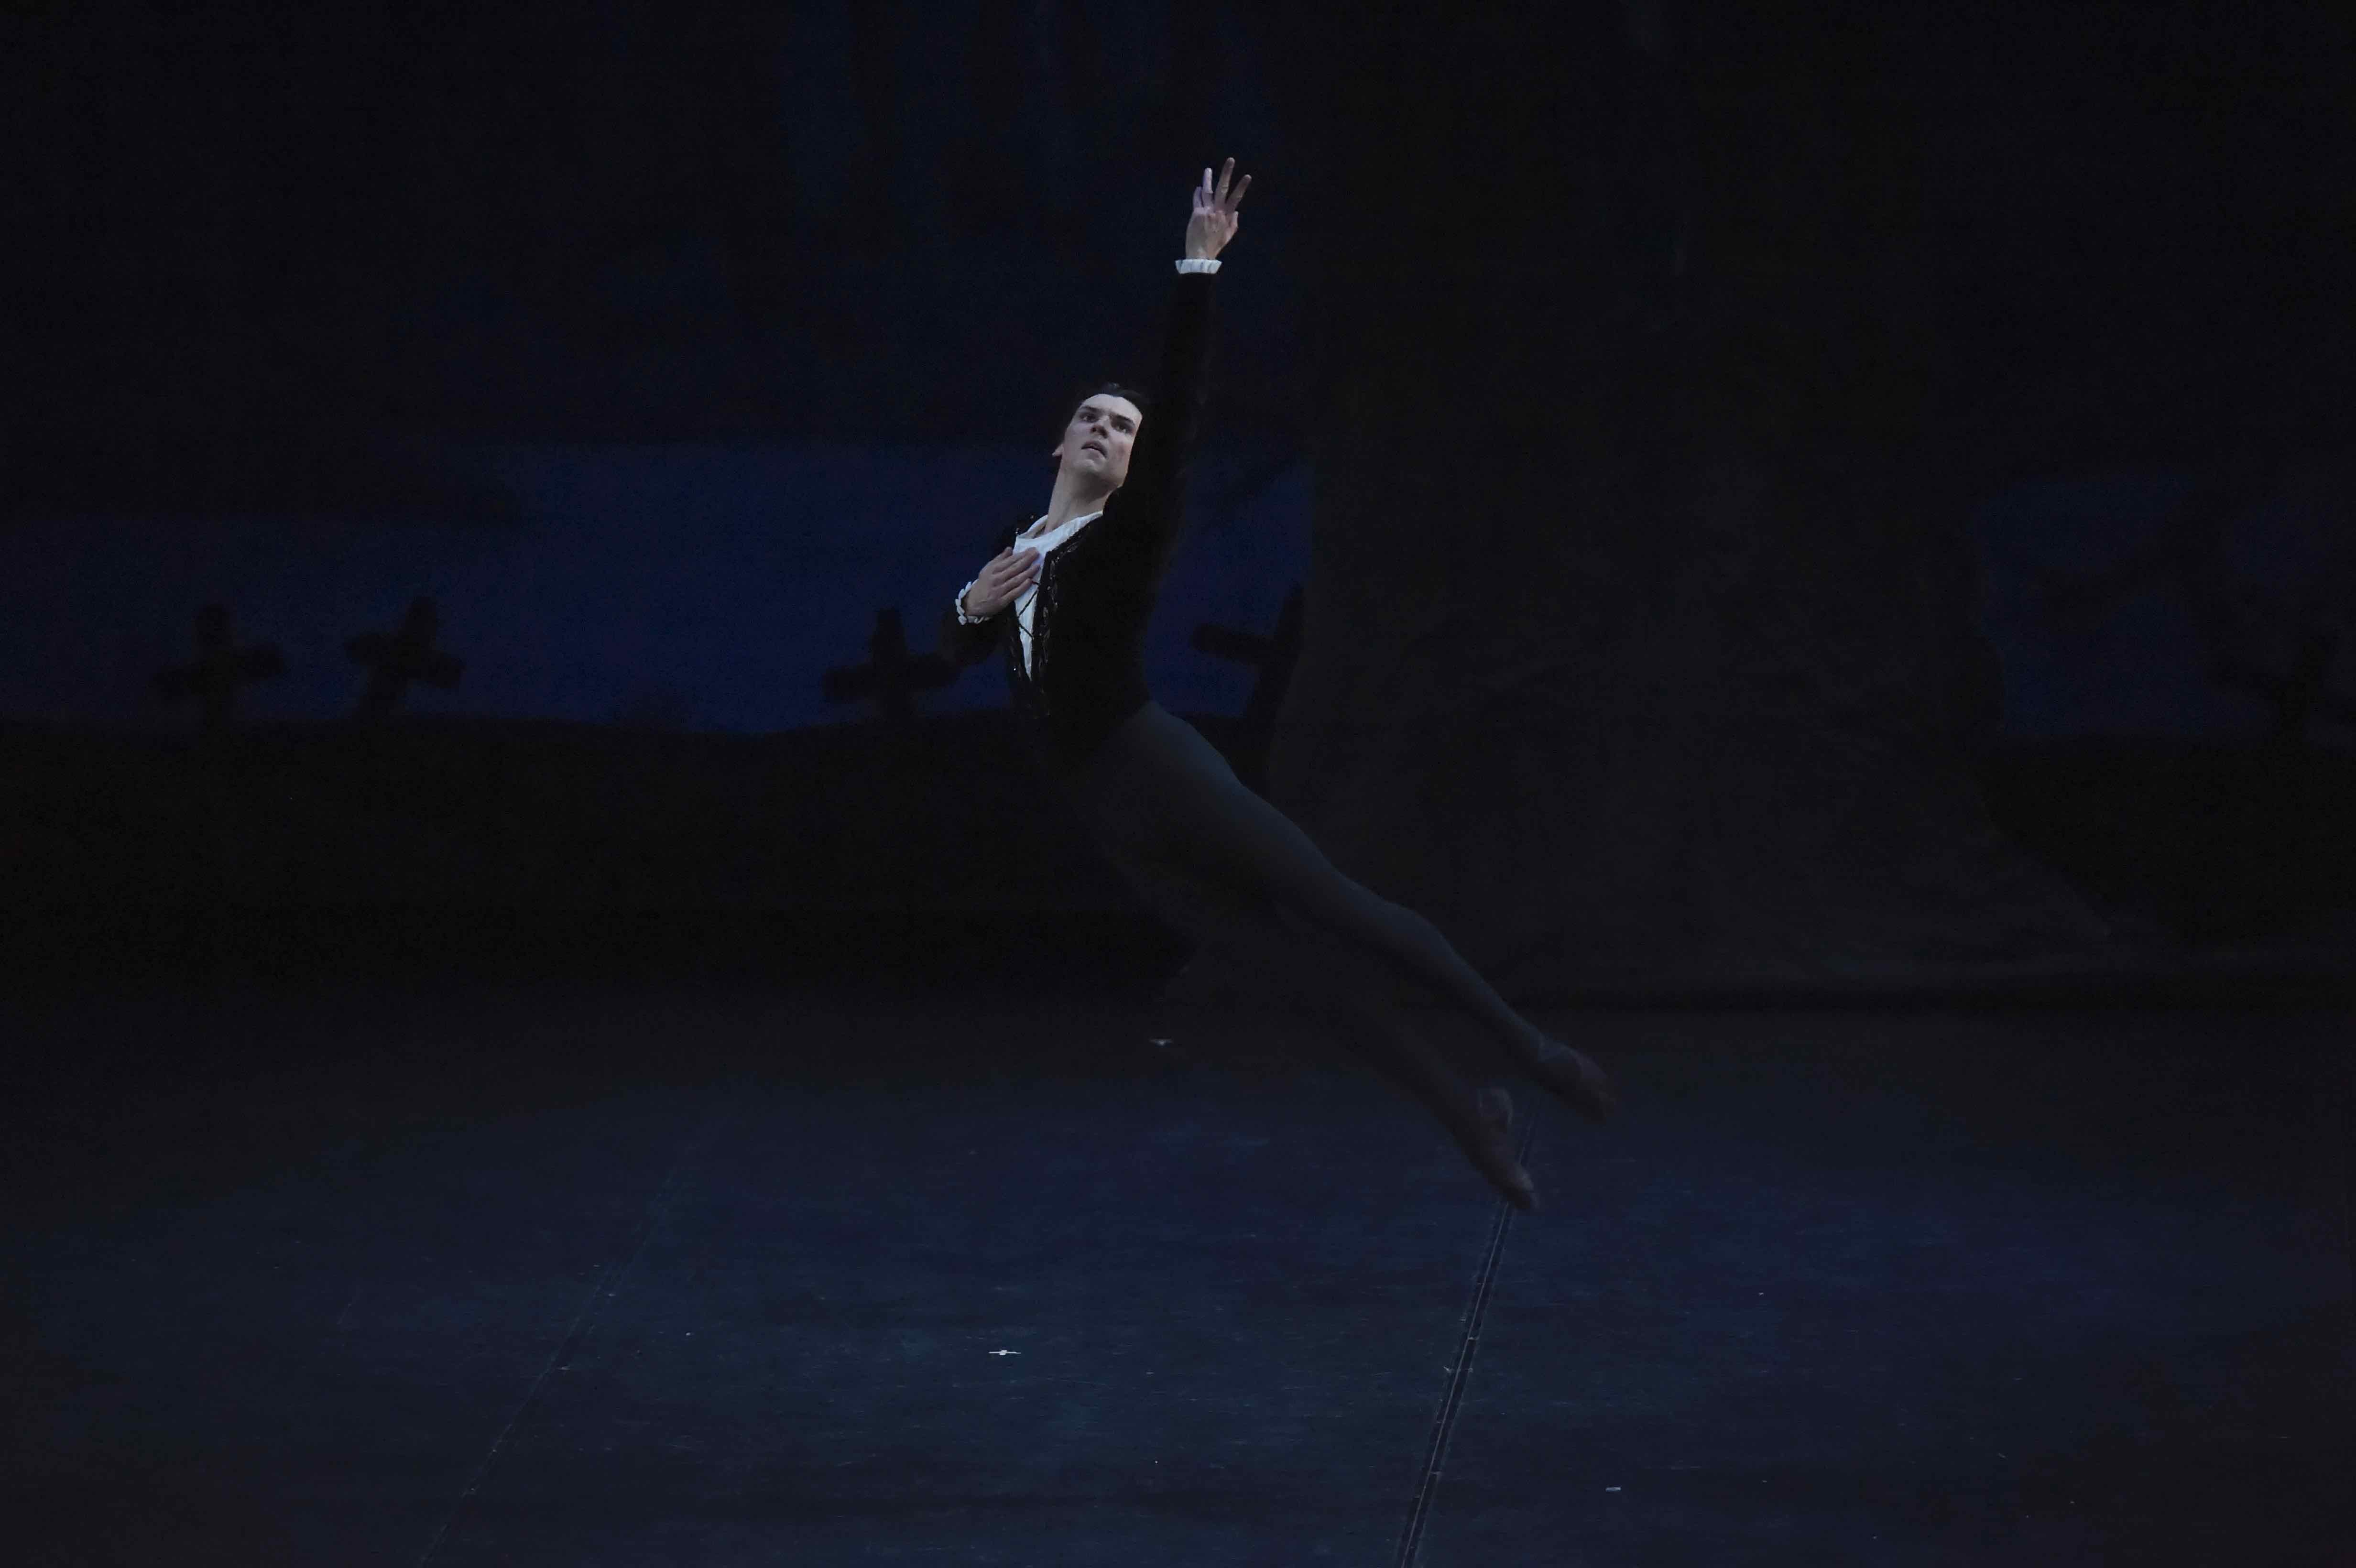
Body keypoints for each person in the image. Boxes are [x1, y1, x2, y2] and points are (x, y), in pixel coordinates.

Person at [938, 160, 1616, 1211]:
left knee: (1337, 908)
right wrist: (967, 609)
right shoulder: (1015, 544)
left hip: (1153, 765)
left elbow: (1182, 402)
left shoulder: (1127, 534)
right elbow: (965, 653)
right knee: (1303, 982)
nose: (1105, 430)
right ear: (1058, 440)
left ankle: (1531, 1049)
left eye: (1122, 428)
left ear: (1134, 464)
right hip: (1106, 813)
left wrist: (1198, 268)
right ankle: (1470, 1116)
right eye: (1092, 418)